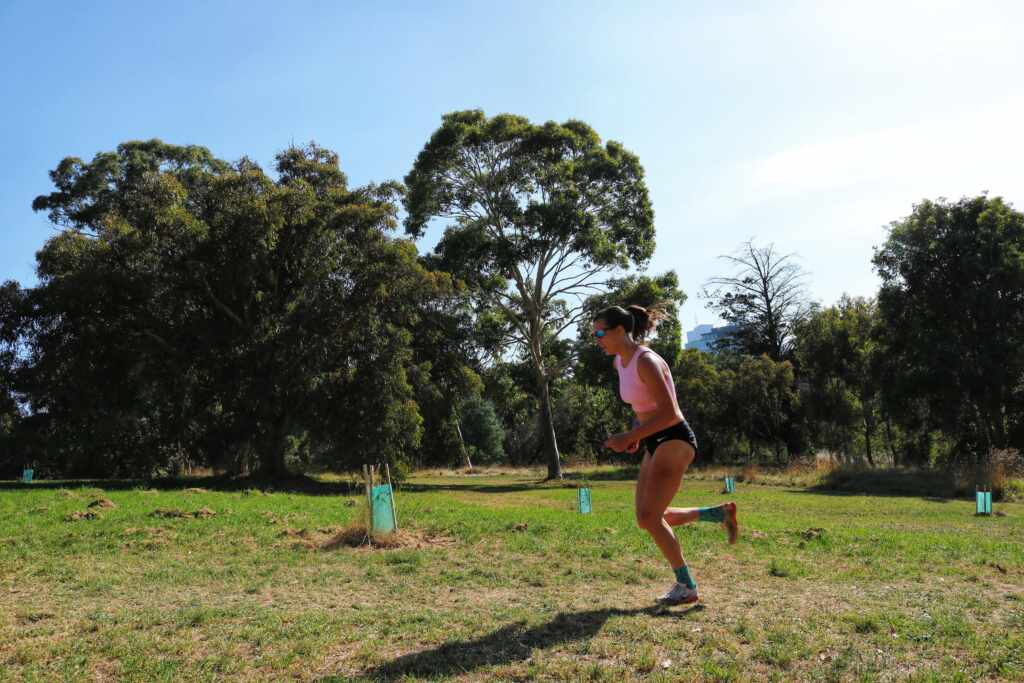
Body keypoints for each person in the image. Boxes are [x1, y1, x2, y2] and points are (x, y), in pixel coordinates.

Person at [594, 304, 738, 606]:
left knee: (650, 516)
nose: (596, 339)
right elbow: (643, 409)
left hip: (674, 438)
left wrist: (630, 437)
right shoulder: (620, 363)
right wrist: (637, 434)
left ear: (620, 330)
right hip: (653, 440)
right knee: (647, 518)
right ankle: (718, 513)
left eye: (599, 332)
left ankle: (687, 586)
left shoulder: (646, 361)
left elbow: (670, 413)